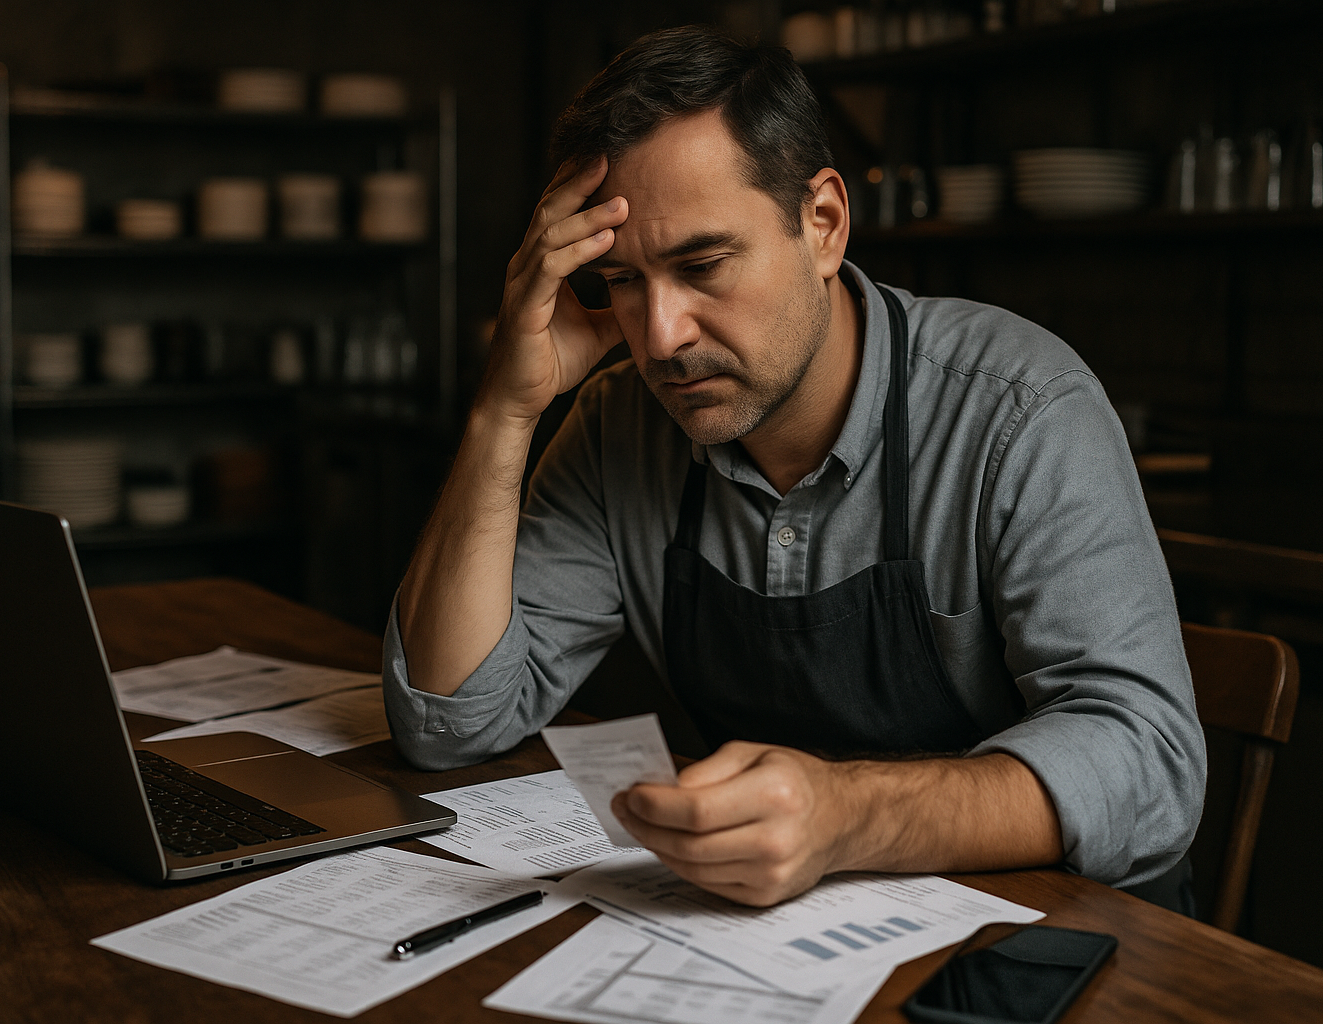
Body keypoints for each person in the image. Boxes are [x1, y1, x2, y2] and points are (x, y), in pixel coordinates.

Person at [384, 25, 1205, 909]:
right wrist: (504, 409)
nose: (659, 338)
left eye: (702, 264)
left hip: (1056, 938)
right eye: (623, 281)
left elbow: (1148, 760)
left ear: (822, 225)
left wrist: (845, 814)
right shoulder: (619, 425)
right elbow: (448, 722)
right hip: (778, 949)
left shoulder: (1019, 409)